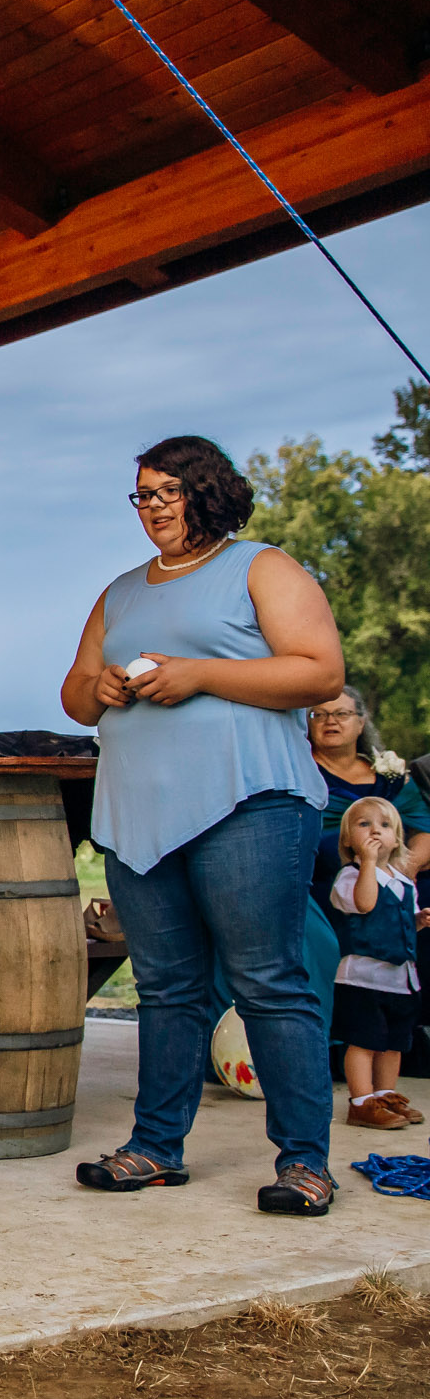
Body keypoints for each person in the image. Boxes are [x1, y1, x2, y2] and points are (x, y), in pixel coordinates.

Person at [61, 435, 343, 1216]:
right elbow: (76, 698)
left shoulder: (261, 566)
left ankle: (305, 1164)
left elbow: (320, 671)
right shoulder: (119, 591)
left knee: (268, 983)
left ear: (207, 491)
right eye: (141, 494)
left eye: (166, 491)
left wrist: (203, 675)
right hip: (140, 816)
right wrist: (106, 686)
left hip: (247, 804)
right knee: (166, 988)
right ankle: (155, 1148)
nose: (150, 506)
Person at [302, 686, 430, 1022]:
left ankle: (408, 1025)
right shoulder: (299, 771)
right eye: (319, 714)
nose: (331, 721)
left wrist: (397, 873)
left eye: (342, 714)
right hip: (319, 881)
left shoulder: (387, 775)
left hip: (390, 875)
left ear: (361, 723)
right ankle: (337, 1036)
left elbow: (423, 830)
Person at [327, 798, 428, 1130]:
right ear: (347, 840)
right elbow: (366, 903)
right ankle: (361, 1101)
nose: (375, 831)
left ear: (397, 839)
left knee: (394, 1043)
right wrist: (368, 862)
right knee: (365, 1040)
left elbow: (395, 922)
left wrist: (418, 921)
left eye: (384, 826)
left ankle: (385, 1095)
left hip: (399, 978)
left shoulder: (402, 882)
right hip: (363, 978)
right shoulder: (350, 876)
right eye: (364, 825)